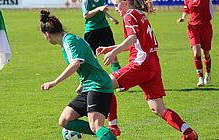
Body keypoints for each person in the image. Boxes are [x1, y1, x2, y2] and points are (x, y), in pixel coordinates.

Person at [96, 0, 198, 139]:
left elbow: (132, 39)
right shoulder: (139, 14)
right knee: (158, 108)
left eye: (116, 5)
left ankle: (113, 126)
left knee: (104, 83)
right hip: (153, 64)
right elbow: (136, 42)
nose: (115, 9)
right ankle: (188, 132)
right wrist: (110, 48)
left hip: (141, 64)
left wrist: (114, 53)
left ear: (125, 2)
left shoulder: (129, 15)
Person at [39, 10, 117, 140]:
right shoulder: (67, 42)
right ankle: (105, 134)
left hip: (98, 85)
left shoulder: (70, 41)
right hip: (88, 85)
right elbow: (88, 61)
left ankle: (104, 133)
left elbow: (76, 63)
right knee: (65, 120)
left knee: (96, 126)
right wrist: (82, 83)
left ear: (47, 34)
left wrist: (55, 82)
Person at [82, 0, 122, 136]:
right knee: (90, 59)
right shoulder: (87, 1)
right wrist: (98, 9)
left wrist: (112, 19)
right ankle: (87, 82)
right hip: (91, 31)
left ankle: (119, 81)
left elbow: (103, 11)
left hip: (104, 29)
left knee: (113, 55)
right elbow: (86, 15)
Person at [177, 0, 213, 87]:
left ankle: (208, 74)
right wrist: (183, 17)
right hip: (193, 28)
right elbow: (186, 8)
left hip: (206, 27)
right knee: (196, 52)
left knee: (206, 53)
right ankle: (200, 78)